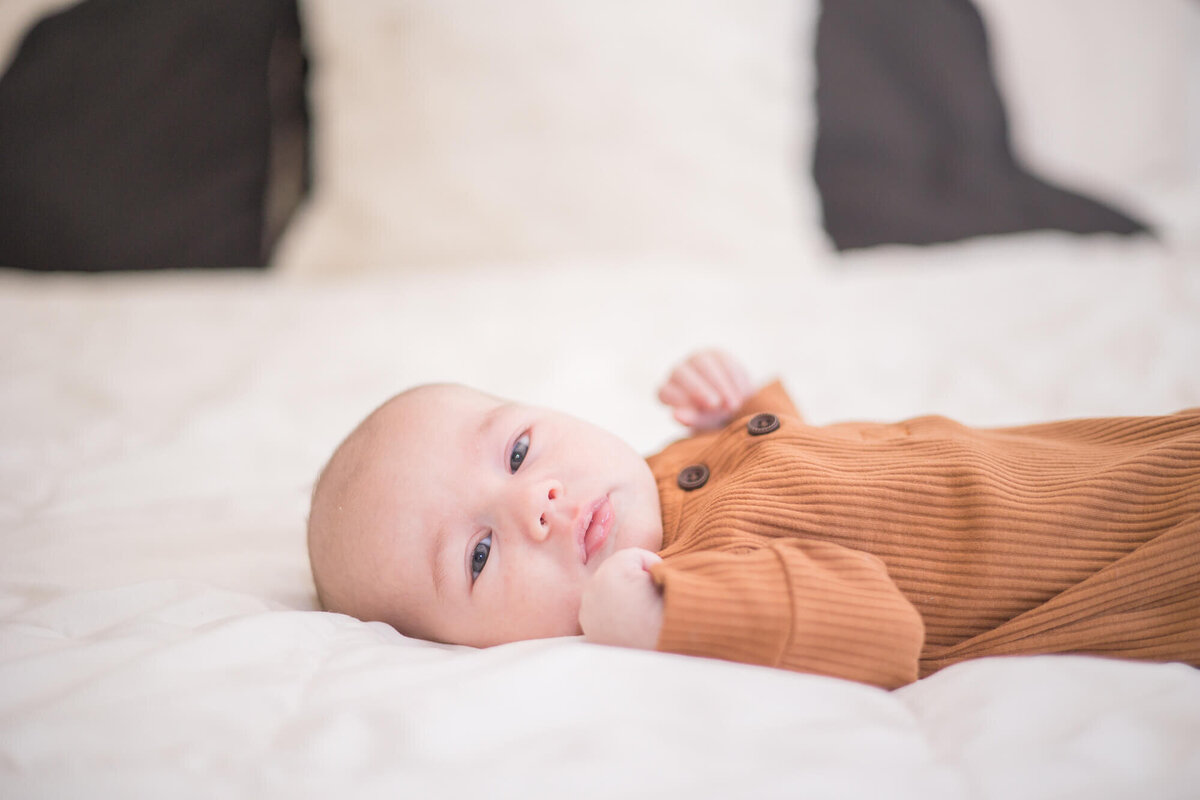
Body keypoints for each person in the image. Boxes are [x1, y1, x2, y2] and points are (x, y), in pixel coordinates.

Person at [307, 350, 1200, 689]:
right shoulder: (691, 584)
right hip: (1125, 553)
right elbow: (883, 624)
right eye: (478, 555)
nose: (534, 503)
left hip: (1077, 457)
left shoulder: (657, 477)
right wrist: (669, 616)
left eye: (516, 453)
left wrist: (740, 411)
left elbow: (807, 465)